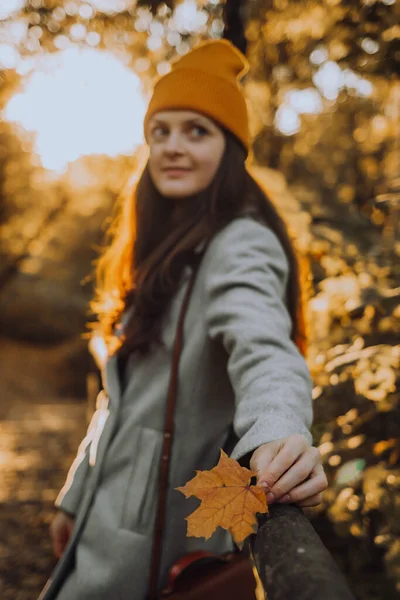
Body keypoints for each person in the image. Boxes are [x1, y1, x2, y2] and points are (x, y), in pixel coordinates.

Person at [39, 39, 327, 600]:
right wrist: (76, 495)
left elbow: (264, 347)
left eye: (198, 130)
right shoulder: (160, 248)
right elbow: (119, 400)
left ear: (230, 148)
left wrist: (281, 433)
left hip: (155, 543)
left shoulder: (239, 242)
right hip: (101, 519)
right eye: (160, 131)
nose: (173, 146)